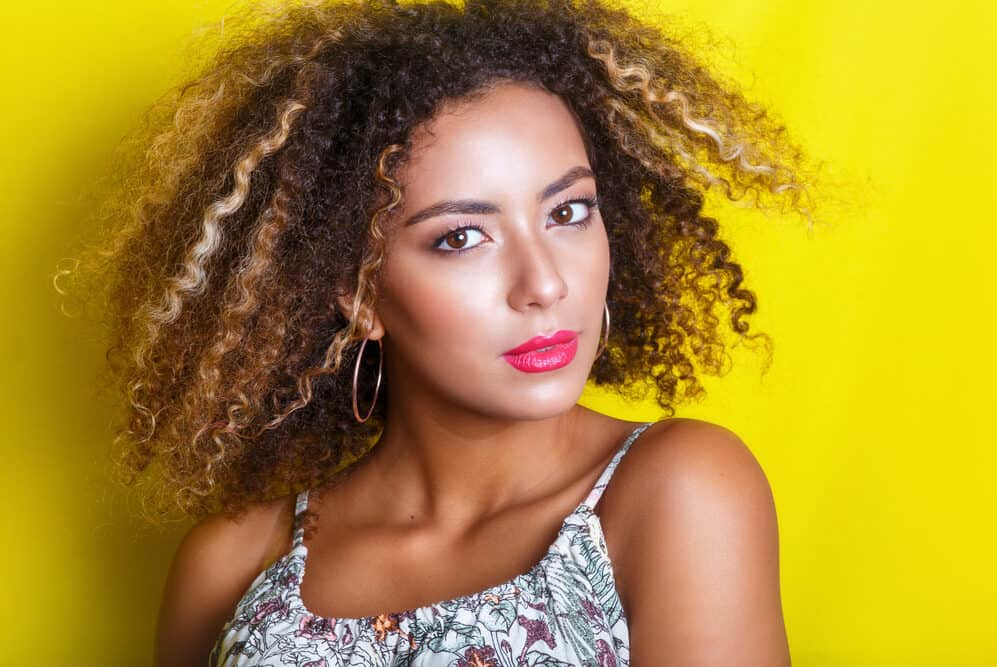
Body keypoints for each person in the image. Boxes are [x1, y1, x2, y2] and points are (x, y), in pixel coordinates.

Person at [58, 0, 814, 663]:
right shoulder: (234, 561)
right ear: (358, 292)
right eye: (461, 237)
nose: (545, 283)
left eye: (569, 212)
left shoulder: (677, 491)